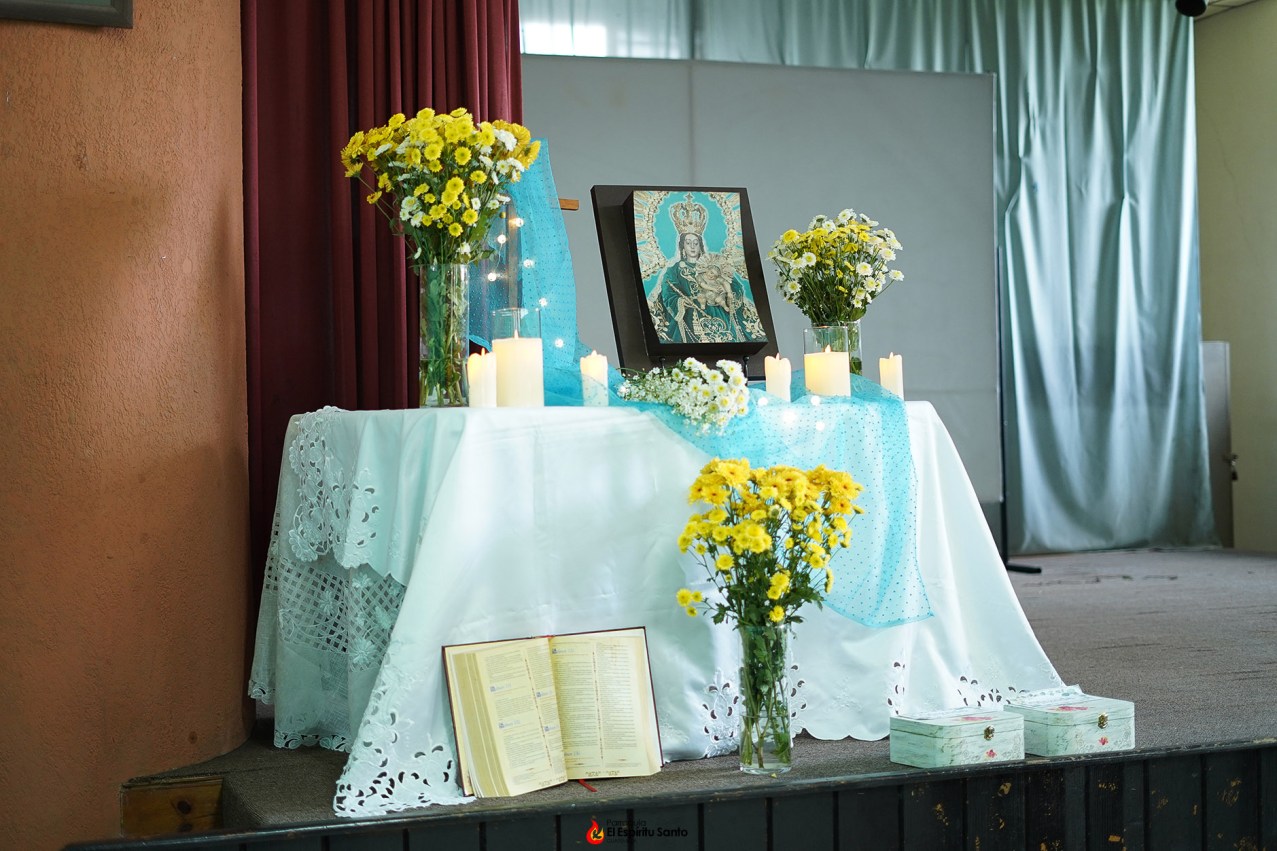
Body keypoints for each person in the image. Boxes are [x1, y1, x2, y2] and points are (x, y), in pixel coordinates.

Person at [648, 196, 766, 344]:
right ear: (682, 246)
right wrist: (682, 301)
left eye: (695, 243)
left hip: (720, 309)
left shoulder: (713, 265)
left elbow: (733, 284)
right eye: (688, 243)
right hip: (692, 313)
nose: (692, 247)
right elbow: (668, 291)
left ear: (700, 245)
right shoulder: (674, 270)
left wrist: (727, 293)